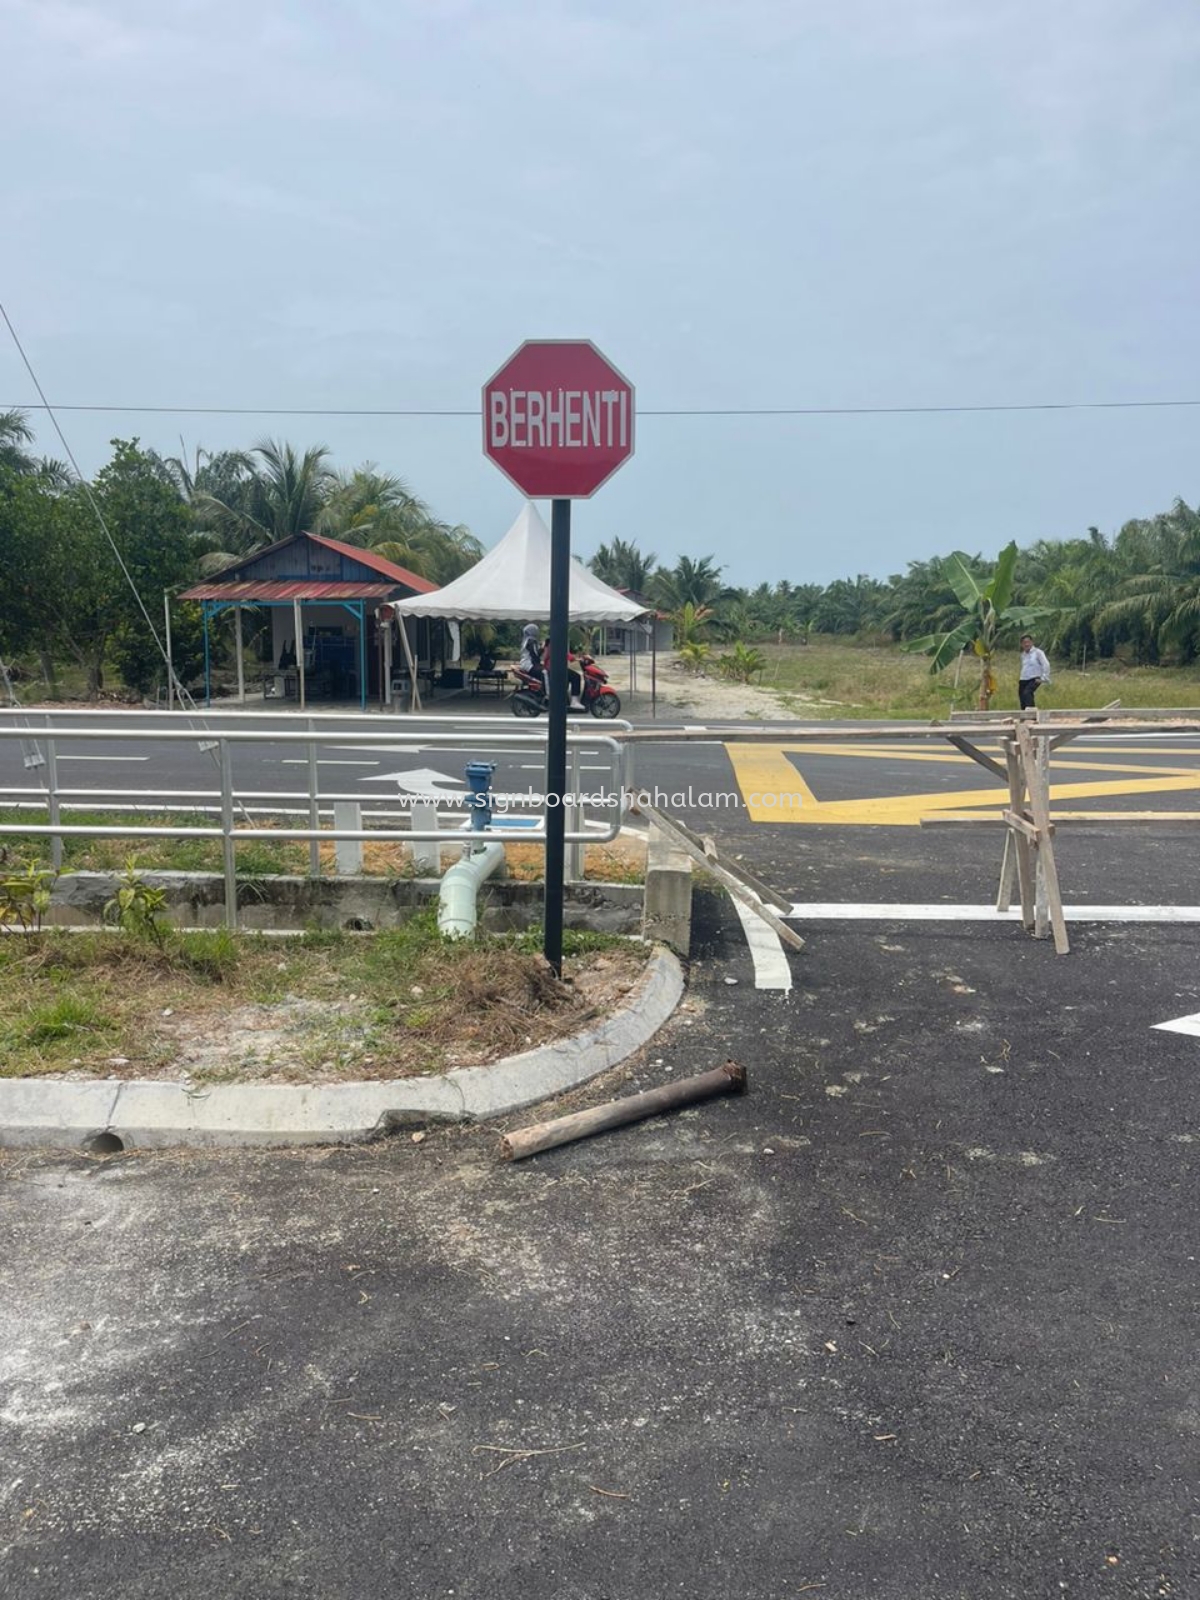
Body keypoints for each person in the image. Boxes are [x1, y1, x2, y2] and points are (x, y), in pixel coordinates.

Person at [542, 638, 585, 709]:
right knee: (576, 676)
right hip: (556, 669)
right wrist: (575, 658)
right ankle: (574, 702)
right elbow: (564, 653)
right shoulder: (554, 644)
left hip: (553, 668)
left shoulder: (550, 644)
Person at [1018, 633, 1051, 710]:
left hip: (1034, 678)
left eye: (1028, 642)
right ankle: (1024, 716)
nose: (1026, 644)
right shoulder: (1023, 655)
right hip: (1024, 679)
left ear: (1032, 642)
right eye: (1024, 643)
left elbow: (1046, 664)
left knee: (1027, 693)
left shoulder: (1038, 652)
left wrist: (1043, 678)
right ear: (1021, 644)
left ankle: (1031, 716)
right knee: (1022, 696)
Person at [518, 624, 544, 690]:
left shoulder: (527, 640)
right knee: (546, 673)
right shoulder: (531, 641)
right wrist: (542, 648)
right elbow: (535, 655)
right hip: (529, 665)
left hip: (526, 664)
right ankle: (547, 692)